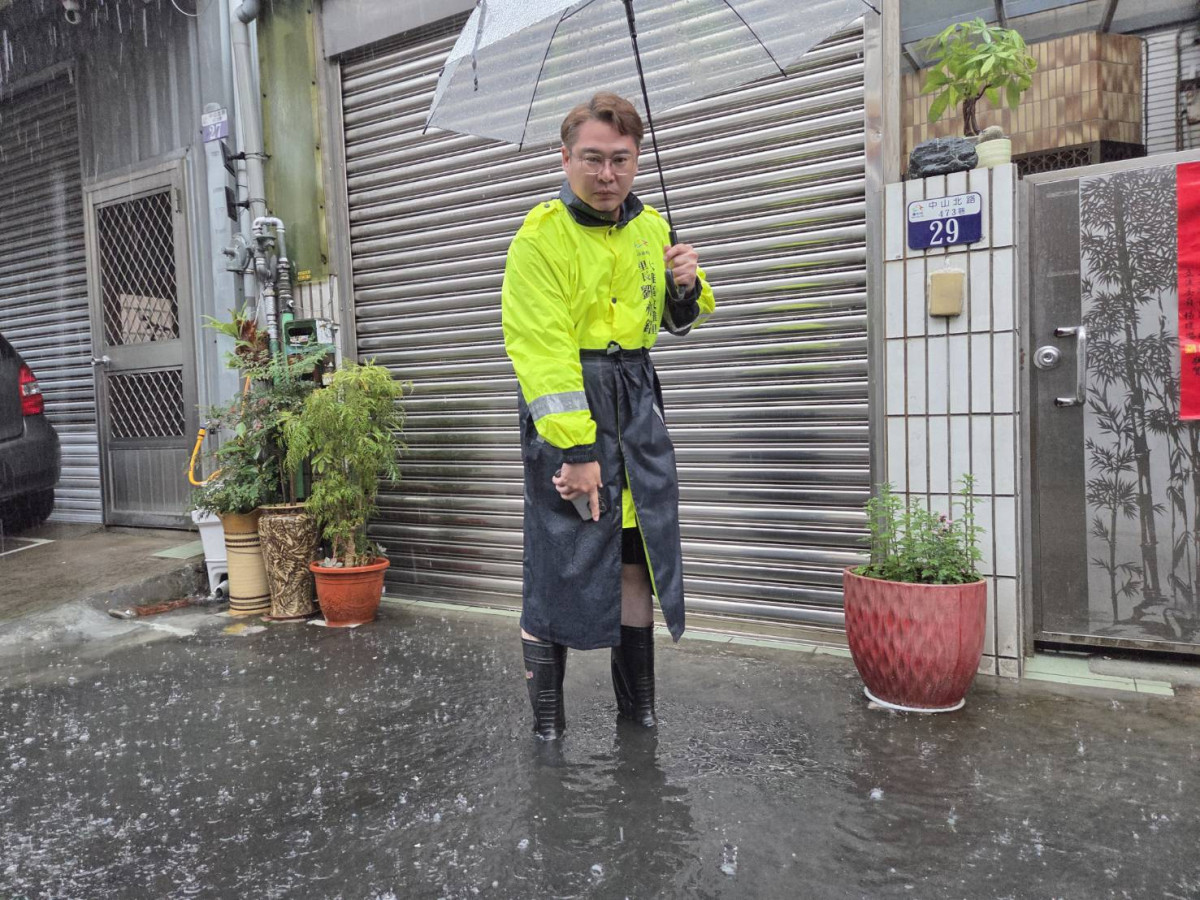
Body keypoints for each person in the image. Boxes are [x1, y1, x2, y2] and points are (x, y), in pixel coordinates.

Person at [501, 92, 715, 741]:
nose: (606, 174)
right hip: (576, 407)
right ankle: (548, 724)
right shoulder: (540, 237)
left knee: (635, 555)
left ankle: (639, 710)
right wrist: (575, 451)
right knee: (558, 559)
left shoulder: (654, 229)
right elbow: (541, 350)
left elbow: (673, 324)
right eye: (591, 159)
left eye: (620, 160)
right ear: (565, 157)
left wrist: (685, 283)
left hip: (638, 408)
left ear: (637, 159)